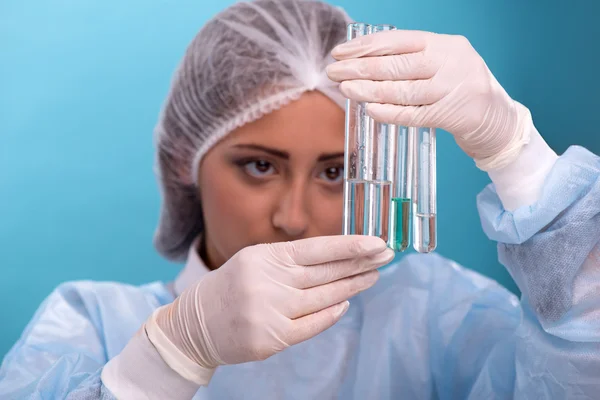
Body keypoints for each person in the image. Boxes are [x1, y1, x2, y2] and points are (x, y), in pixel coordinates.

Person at [1, 0, 599, 398]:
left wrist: (517, 153)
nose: (294, 218)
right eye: (259, 166)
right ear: (185, 158)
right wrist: (167, 359)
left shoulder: (434, 316)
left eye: (337, 172)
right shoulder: (93, 326)